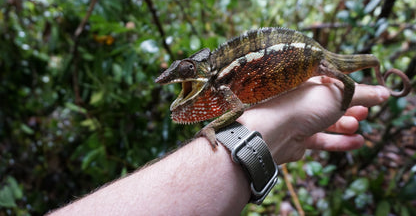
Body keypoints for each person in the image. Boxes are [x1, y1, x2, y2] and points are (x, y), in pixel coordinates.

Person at [48, 77, 391, 216]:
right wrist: (272, 132)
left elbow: (238, 107)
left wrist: (219, 129)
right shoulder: (217, 88)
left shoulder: (219, 86)